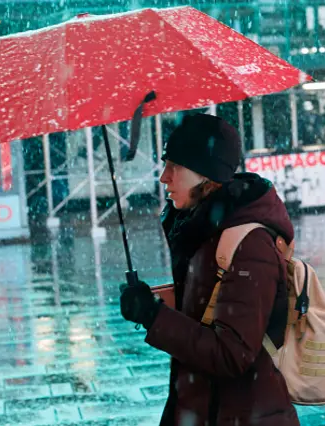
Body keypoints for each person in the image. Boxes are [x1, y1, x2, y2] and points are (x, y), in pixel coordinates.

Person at [119, 113, 300, 426]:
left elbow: (232, 354)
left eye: (174, 166)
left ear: (205, 173)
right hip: (205, 410)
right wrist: (154, 305)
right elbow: (207, 310)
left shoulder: (248, 244)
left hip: (242, 415)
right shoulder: (200, 233)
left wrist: (154, 316)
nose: (164, 177)